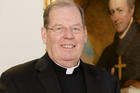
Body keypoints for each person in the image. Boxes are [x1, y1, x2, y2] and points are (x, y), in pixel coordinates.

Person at [0, 1, 120, 93]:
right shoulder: (15, 81)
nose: (68, 35)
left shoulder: (108, 83)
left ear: (84, 34)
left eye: (75, 28)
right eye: (59, 28)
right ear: (44, 35)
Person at [96, 0, 140, 92]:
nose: (115, 18)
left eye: (120, 11)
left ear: (131, 9)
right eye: (112, 12)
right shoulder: (108, 52)